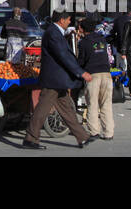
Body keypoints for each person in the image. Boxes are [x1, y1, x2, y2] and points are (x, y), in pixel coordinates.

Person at [23, 12, 94, 150]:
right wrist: (80, 72)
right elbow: (63, 55)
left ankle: (82, 137)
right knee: (42, 109)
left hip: (58, 80)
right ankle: (30, 138)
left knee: (67, 108)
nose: (69, 22)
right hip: (53, 80)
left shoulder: (55, 33)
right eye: (68, 20)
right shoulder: (53, 33)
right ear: (62, 20)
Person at [76, 18, 114, 140]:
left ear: (82, 29)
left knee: (92, 104)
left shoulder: (83, 42)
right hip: (107, 75)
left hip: (92, 75)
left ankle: (94, 132)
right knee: (106, 104)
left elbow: (81, 61)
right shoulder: (102, 39)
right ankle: (109, 133)